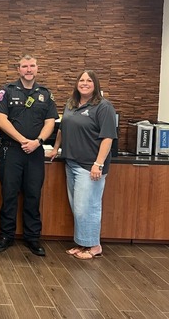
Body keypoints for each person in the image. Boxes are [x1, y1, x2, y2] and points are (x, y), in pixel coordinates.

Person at [0, 54, 58, 256]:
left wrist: (37, 142)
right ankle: (6, 236)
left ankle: (32, 238)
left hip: (35, 152)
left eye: (32, 66)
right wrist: (23, 141)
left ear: (37, 68)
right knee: (9, 194)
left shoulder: (45, 94)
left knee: (33, 195)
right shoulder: (7, 91)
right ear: (18, 69)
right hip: (12, 150)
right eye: (24, 66)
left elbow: (50, 123)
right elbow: (1, 120)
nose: (28, 69)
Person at [49, 70, 117, 260]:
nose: (84, 83)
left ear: (95, 84)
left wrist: (98, 164)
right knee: (78, 207)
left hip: (90, 166)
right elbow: (62, 128)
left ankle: (94, 246)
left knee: (89, 206)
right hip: (71, 162)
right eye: (81, 80)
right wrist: (55, 148)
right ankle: (83, 243)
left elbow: (108, 138)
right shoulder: (71, 104)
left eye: (89, 80)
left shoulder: (103, 107)